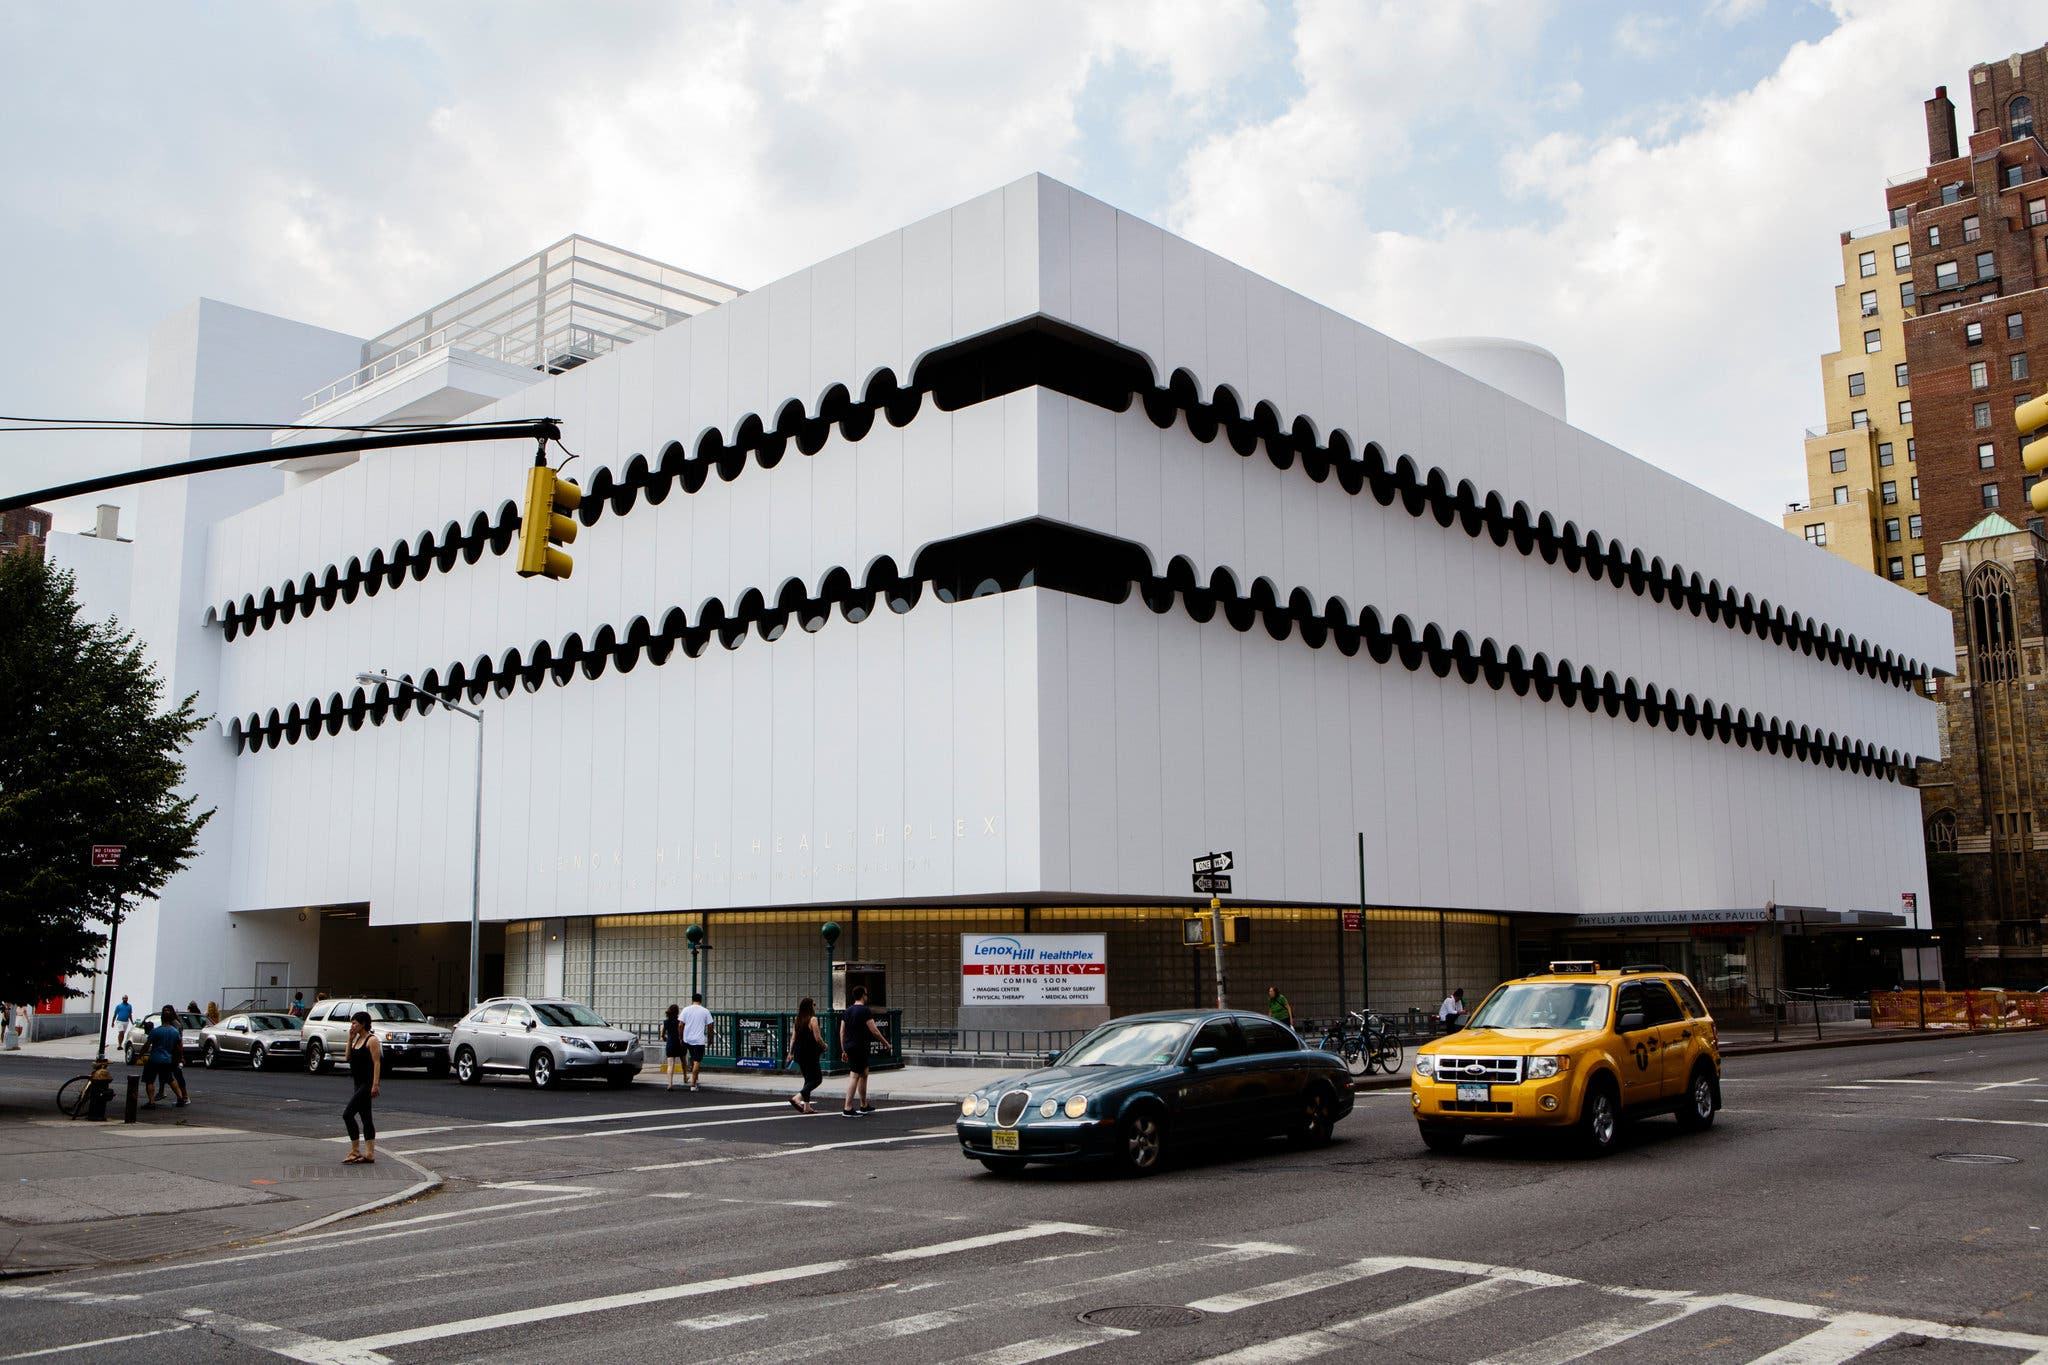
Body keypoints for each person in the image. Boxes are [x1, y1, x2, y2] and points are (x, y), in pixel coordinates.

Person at [839, 986, 889, 1116]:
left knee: (864, 1072)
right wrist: (886, 1043)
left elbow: (842, 1031)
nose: (867, 997)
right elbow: (874, 1031)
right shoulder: (864, 1011)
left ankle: (863, 1104)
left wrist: (843, 1049)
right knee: (855, 1075)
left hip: (850, 1046)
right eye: (866, 994)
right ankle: (848, 1107)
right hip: (860, 1046)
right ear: (863, 995)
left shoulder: (847, 1011)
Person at [342, 1009, 381, 1164]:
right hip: (357, 1083)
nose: (352, 1026)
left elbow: (377, 1063)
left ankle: (355, 1151)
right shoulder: (357, 1040)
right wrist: (350, 1039)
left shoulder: (372, 1040)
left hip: (367, 1083)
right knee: (366, 1118)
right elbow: (347, 1057)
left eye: (354, 1023)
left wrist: (375, 1085)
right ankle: (370, 1153)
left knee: (347, 1114)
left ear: (363, 1024)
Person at [784, 997, 826, 1114]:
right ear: (810, 1006)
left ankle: (807, 1107)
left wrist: (790, 1052)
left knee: (808, 1079)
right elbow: (818, 1038)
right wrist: (824, 1045)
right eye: (814, 1004)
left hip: (799, 1052)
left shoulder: (797, 1019)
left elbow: (793, 1038)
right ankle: (797, 1097)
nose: (815, 1006)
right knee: (817, 1079)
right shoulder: (813, 1020)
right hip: (810, 1053)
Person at [143, 1007, 183, 1107]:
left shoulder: (155, 1031)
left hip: (154, 1059)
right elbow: (179, 1047)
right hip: (167, 1059)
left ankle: (151, 1102)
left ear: (161, 1019)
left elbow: (147, 1045)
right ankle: (180, 1098)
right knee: (170, 1079)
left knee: (150, 1080)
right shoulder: (175, 1032)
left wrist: (141, 1054)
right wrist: (180, 1058)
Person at [677, 992, 713, 1092]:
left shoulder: (686, 1010)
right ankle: (693, 1083)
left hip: (687, 1038)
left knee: (692, 1058)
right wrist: (710, 1039)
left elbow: (680, 1025)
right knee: (697, 1061)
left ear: (692, 1000)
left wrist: (680, 1037)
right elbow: (710, 1026)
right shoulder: (705, 1011)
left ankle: (694, 1077)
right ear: (701, 1001)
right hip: (699, 1040)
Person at [661, 1003, 685, 1090]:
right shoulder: (680, 1022)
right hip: (679, 1044)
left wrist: (665, 1038)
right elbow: (682, 1032)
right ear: (677, 1012)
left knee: (670, 1065)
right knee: (683, 1061)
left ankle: (670, 1084)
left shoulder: (666, 1022)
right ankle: (685, 1077)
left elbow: (662, 1034)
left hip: (670, 1044)